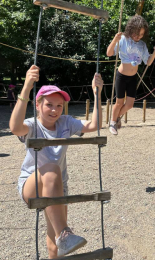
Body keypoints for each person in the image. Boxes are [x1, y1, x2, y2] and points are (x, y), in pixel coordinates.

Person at [9, 65, 103, 259]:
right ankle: (65, 233)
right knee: (51, 169)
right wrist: (26, 87)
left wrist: (97, 94)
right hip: (32, 185)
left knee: (56, 245)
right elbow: (15, 128)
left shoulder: (66, 123)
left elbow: (94, 125)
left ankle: (61, 236)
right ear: (38, 105)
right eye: (49, 104)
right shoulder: (32, 125)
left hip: (58, 188)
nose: (54, 110)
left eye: (59, 105)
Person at [106, 15, 155, 135]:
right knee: (119, 102)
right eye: (136, 34)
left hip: (133, 77)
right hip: (121, 76)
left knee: (129, 105)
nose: (138, 37)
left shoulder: (142, 45)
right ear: (131, 30)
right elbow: (109, 53)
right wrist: (115, 40)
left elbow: (148, 62)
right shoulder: (123, 39)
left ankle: (115, 118)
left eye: (141, 34)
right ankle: (113, 122)